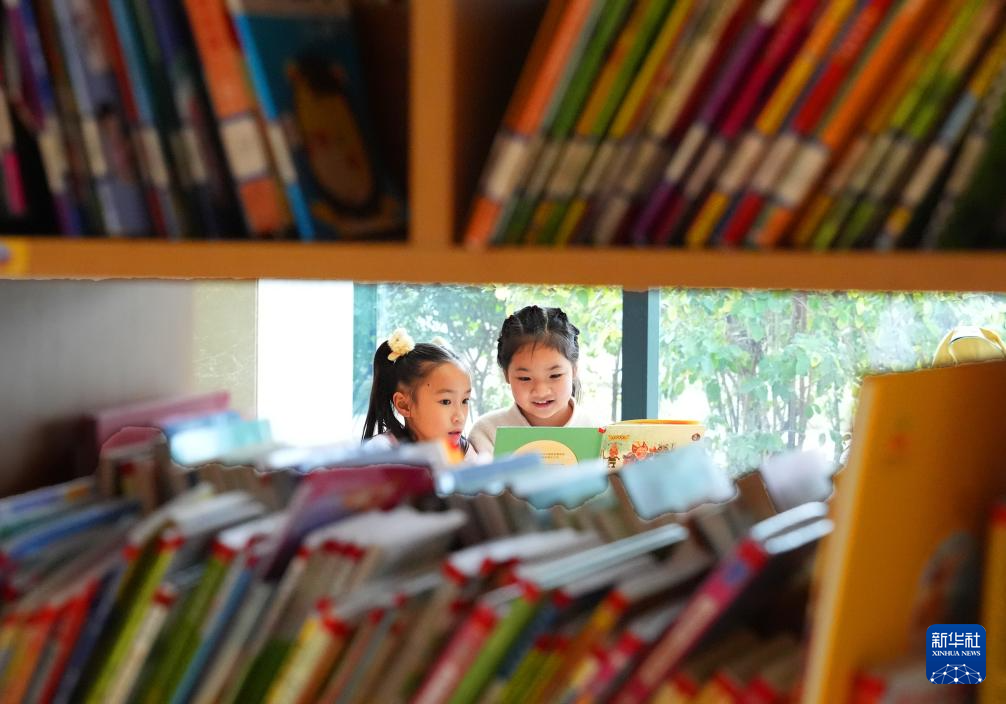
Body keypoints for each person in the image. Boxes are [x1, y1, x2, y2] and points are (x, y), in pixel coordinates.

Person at [469, 305, 600, 454]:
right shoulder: (488, 432)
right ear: (506, 374)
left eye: (555, 375)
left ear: (574, 369)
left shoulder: (602, 434)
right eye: (525, 378)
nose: (541, 391)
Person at [362, 328, 473, 455]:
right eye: (446, 401)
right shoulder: (381, 451)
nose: (460, 417)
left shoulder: (464, 451)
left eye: (465, 400)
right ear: (404, 405)